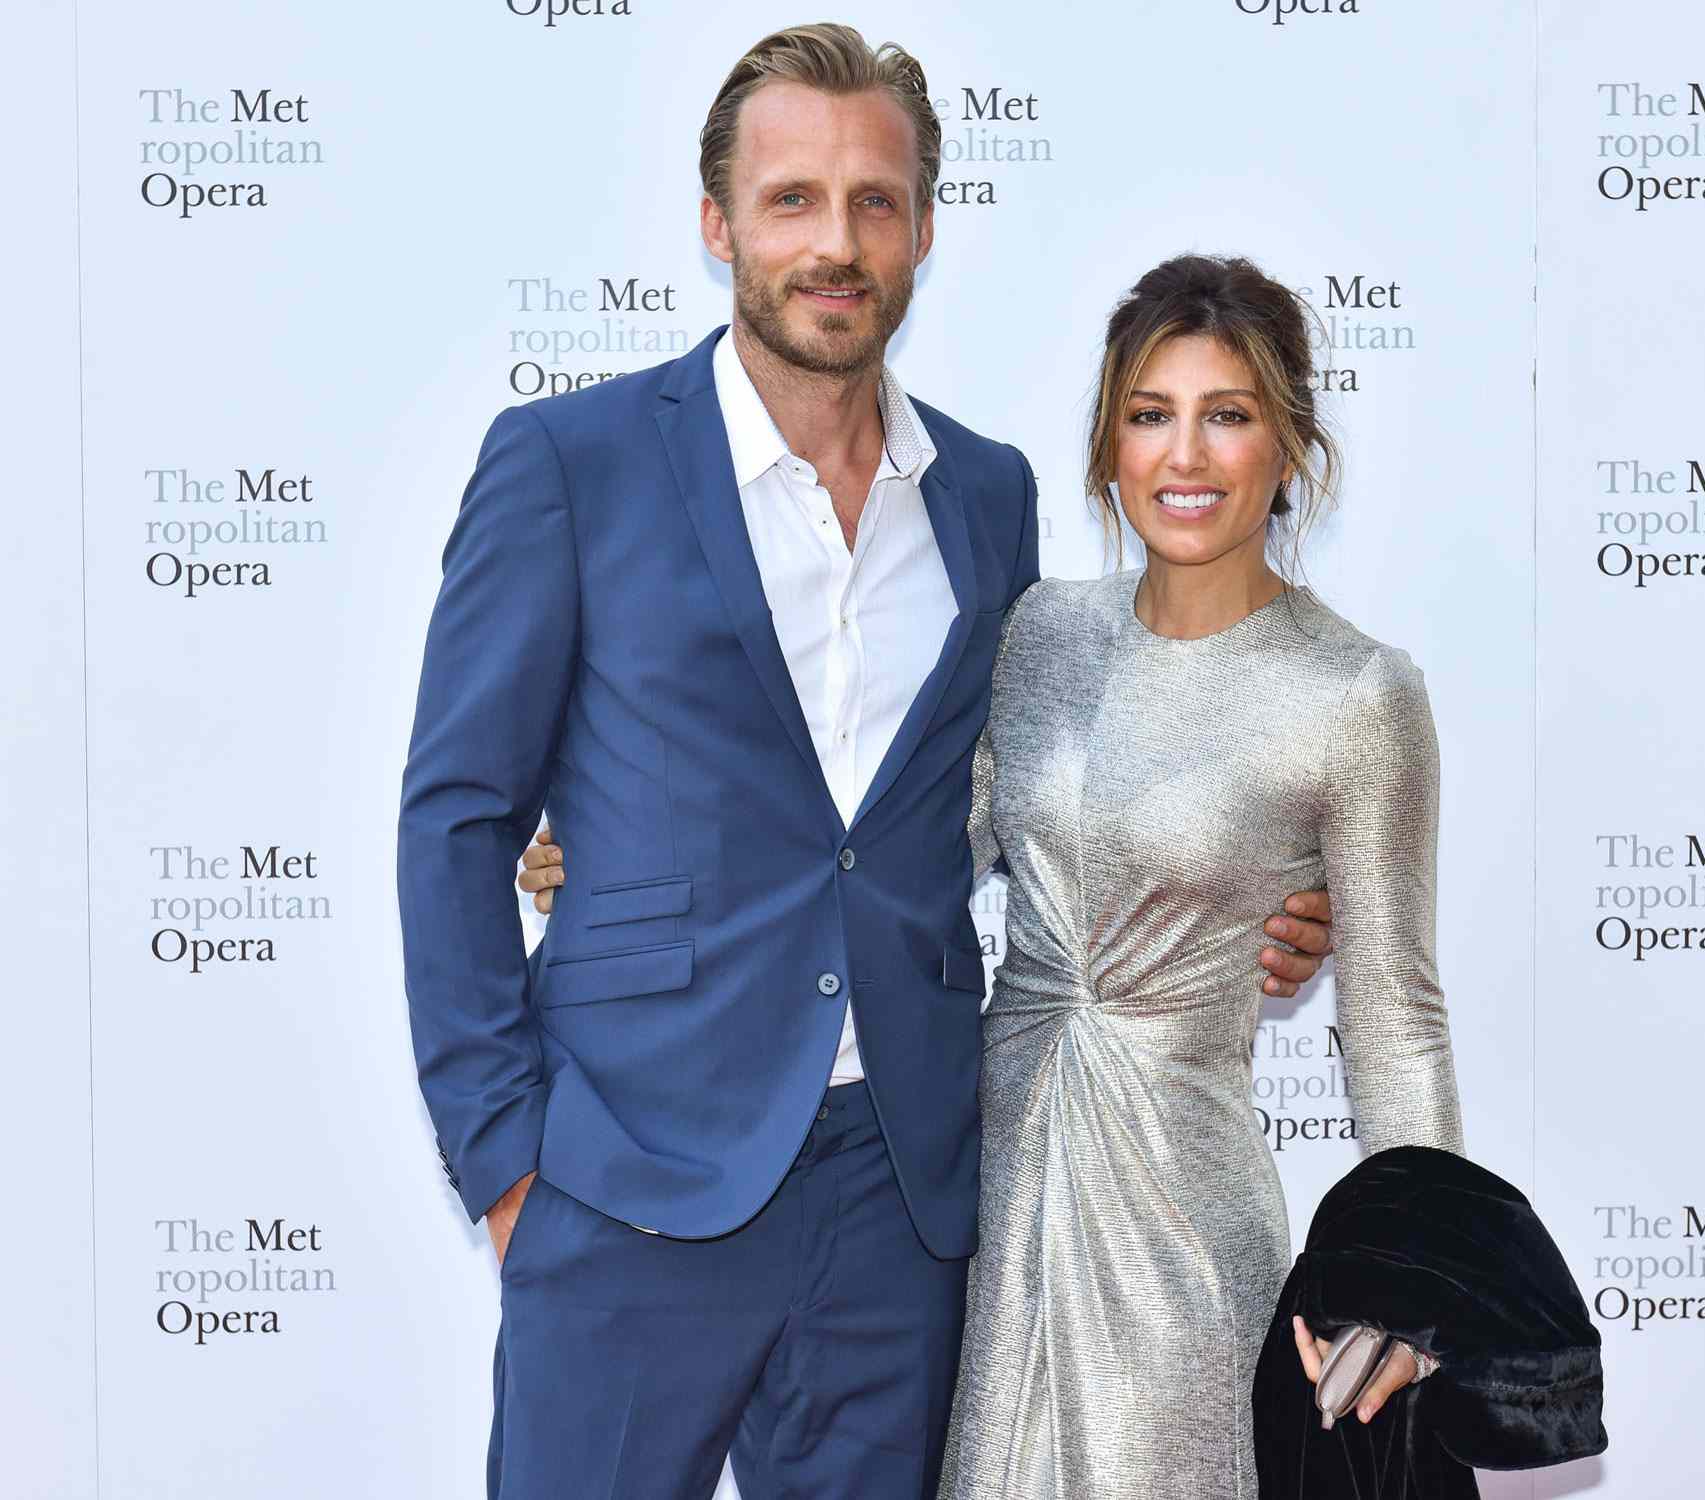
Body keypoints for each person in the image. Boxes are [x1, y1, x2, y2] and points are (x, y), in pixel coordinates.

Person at [396, 25, 1335, 1500]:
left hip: (901, 1193)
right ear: (719, 226)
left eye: (874, 203)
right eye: (793, 200)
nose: (836, 243)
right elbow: (459, 817)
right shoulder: (569, 464)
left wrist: (1255, 897)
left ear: (923, 230)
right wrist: (506, 1158)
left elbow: (1017, 804)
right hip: (628, 1179)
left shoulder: (984, 494)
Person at [525, 255, 1467, 1499]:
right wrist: (638, 848)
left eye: (1226, 414)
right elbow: (895, 850)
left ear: (1288, 444)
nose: (1183, 456)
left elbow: (1397, 1012)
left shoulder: (1355, 693)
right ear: (1106, 445)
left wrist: (1417, 1290)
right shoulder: (1040, 632)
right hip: (982, 1194)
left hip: (1179, 1223)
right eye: (1149, 414)